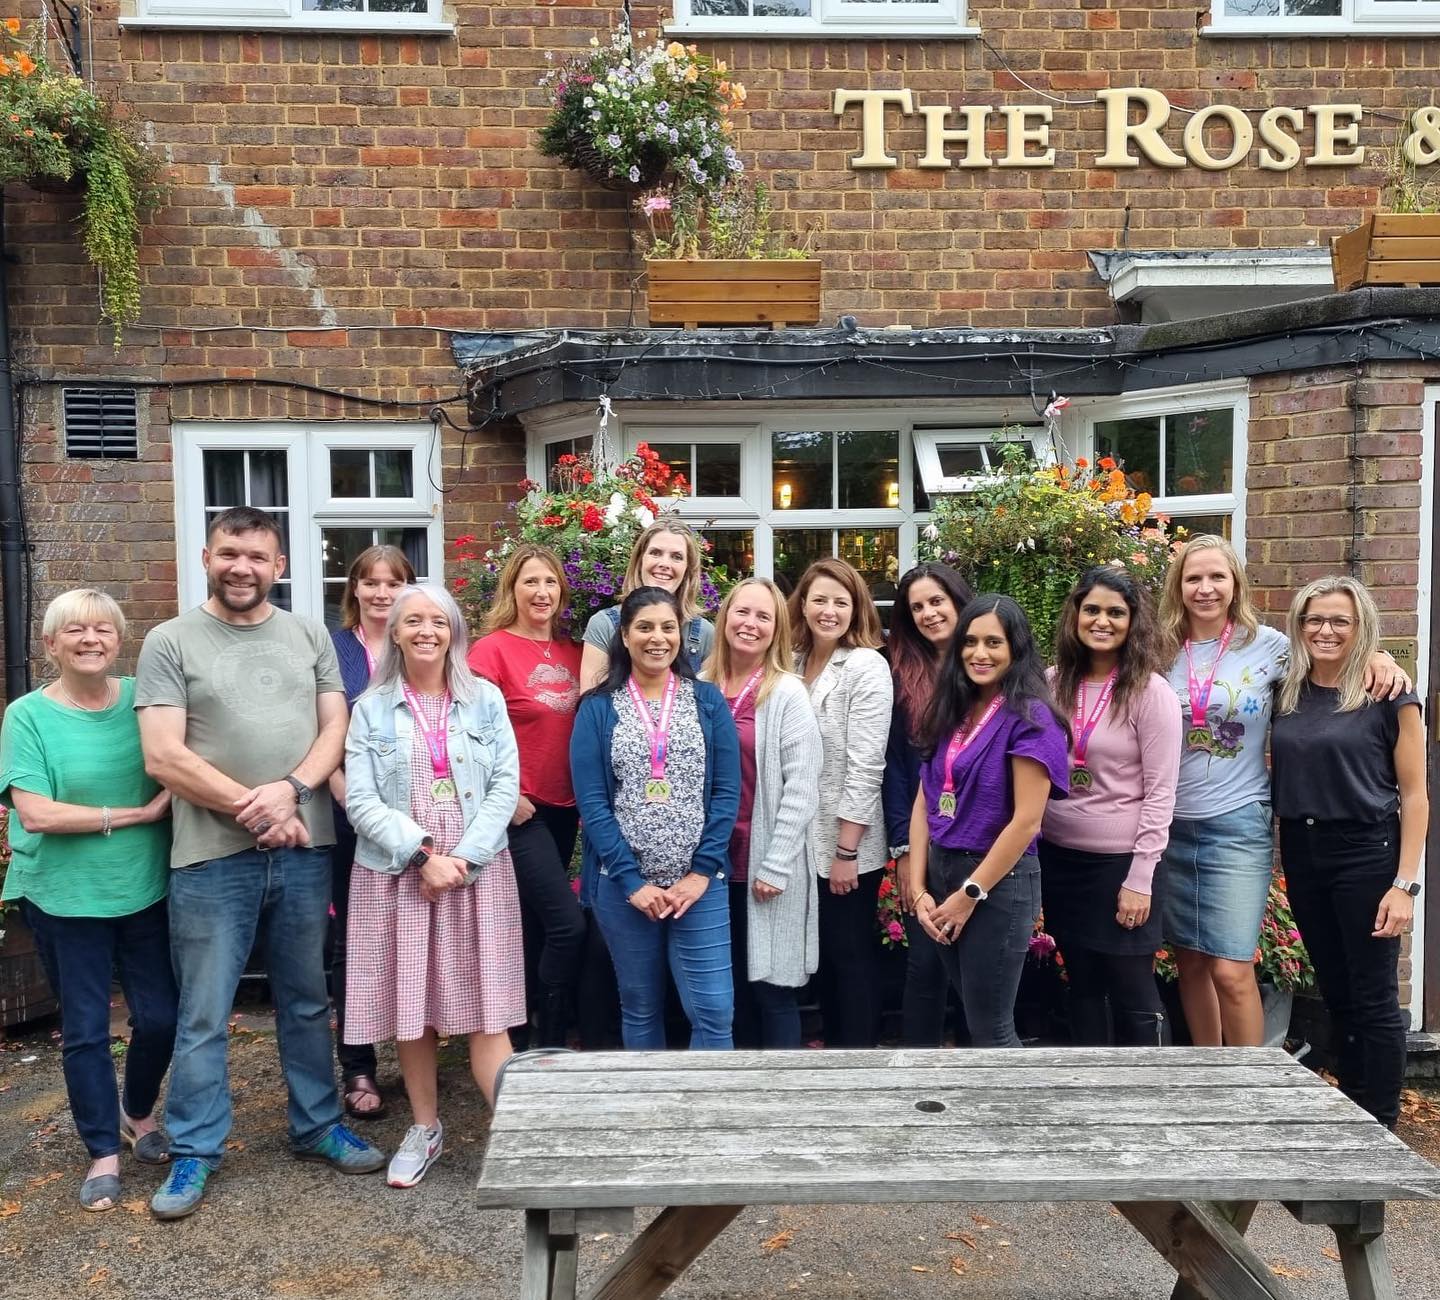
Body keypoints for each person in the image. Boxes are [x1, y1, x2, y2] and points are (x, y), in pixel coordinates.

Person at [135, 506, 384, 1221]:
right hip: (212, 859)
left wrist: (293, 791)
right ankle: (193, 1151)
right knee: (205, 1012)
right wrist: (261, 807)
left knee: (306, 999)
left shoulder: (307, 633)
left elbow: (337, 725)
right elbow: (164, 755)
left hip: (306, 854)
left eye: (257, 557)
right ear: (208, 556)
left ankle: (316, 1126)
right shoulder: (169, 640)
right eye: (229, 553)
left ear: (280, 567)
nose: (242, 567)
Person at [1156, 535, 1408, 1048]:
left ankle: (1253, 1089)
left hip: (1238, 820)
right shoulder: (1157, 650)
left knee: (1231, 970)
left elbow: (1333, 650)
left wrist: (1382, 656)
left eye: (1217, 577)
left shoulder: (1269, 647)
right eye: (1193, 578)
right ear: (1178, 587)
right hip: (1170, 826)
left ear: (1235, 585)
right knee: (1191, 963)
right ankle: (1211, 1076)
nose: (1205, 589)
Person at [345, 584, 526, 1187]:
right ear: (394, 632)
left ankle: (516, 1137)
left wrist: (463, 860)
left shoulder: (486, 701)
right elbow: (362, 799)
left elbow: (506, 785)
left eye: (439, 622)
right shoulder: (370, 709)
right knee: (413, 1010)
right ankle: (425, 1129)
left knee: (488, 1010)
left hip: (477, 875)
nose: (427, 631)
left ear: (455, 633)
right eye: (413, 621)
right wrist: (423, 855)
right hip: (398, 878)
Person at [0, 590, 176, 1212]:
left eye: (103, 628)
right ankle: (102, 1150)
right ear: (51, 645)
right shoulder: (27, 715)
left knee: (159, 1017)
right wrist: (137, 813)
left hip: (144, 888)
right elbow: (37, 813)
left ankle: (137, 1112)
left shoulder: (142, 700)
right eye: (73, 630)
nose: (89, 639)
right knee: (85, 1031)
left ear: (119, 640)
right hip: (64, 895)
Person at [1271, 577, 1426, 1129]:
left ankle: (1378, 1122)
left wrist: (1404, 885)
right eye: (1314, 620)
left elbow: (1414, 795)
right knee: (1334, 988)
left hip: (1367, 849)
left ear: (1361, 627)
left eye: (1340, 620)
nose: (1325, 630)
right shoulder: (1286, 688)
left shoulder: (1389, 694)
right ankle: (1353, 1112)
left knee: (1374, 995)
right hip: (1304, 849)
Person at [570, 587, 740, 1050]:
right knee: (640, 1005)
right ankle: (650, 1117)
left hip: (699, 886)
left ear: (681, 637)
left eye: (668, 628)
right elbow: (593, 805)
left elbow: (727, 792)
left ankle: (707, 1117)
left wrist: (701, 872)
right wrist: (632, 882)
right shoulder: (597, 708)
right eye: (644, 627)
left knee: (714, 1009)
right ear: (624, 636)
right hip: (626, 887)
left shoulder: (707, 701)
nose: (657, 638)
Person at [910, 595, 1070, 1048]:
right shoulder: (953, 707)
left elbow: (1026, 822)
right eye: (971, 642)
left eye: (994, 643)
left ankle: (1019, 1117)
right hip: (943, 872)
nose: (980, 653)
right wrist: (920, 887)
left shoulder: (1031, 718)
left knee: (992, 1028)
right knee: (972, 1013)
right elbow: (925, 799)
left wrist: (969, 895)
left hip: (997, 883)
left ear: (1016, 650)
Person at [1039, 567, 1182, 1046]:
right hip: (1061, 859)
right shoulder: (1052, 683)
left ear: (1133, 621)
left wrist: (1140, 879)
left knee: (1133, 990)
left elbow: (1162, 793)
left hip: (1121, 866)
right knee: (1082, 984)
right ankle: (1092, 1097)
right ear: (1075, 615)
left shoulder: (1151, 692)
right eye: (1092, 609)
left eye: (1116, 612)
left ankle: (1152, 1096)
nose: (1102, 621)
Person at [468, 544, 586, 1048]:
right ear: (511, 589)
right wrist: (504, 793)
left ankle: (520, 1029)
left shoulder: (575, 652)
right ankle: (546, 1038)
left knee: (535, 922)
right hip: (520, 811)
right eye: (530, 582)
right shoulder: (489, 651)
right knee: (567, 924)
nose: (541, 592)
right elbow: (465, 732)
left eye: (550, 583)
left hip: (566, 809)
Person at [703, 578, 823, 1049]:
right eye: (742, 612)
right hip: (711, 863)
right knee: (725, 992)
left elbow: (803, 787)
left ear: (777, 630)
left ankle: (787, 1101)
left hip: (766, 862)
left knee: (773, 990)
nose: (749, 624)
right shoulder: (699, 685)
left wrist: (776, 865)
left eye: (763, 617)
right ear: (724, 617)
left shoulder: (787, 693)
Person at [329, 543, 416, 1121]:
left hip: (419, 823)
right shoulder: (333, 652)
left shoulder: (420, 641)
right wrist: (350, 803)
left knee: (414, 936)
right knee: (354, 945)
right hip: (346, 820)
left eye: (394, 582)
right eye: (371, 582)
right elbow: (318, 736)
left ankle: (419, 1048)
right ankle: (358, 1063)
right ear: (354, 589)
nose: (382, 593)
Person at [791, 558, 893, 1049]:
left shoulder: (866, 665)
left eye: (840, 602)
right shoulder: (789, 660)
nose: (828, 611)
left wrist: (846, 851)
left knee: (849, 955)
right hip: (795, 842)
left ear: (856, 609)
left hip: (844, 845)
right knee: (821, 955)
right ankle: (830, 1052)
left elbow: (866, 766)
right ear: (803, 604)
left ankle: (858, 1058)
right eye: (819, 599)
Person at [882, 562, 975, 1047]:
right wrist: (902, 848)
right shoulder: (899, 674)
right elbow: (896, 766)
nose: (928, 614)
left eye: (936, 601)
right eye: (916, 607)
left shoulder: (990, 661)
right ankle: (918, 1069)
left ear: (959, 600)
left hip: (985, 835)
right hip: (926, 833)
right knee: (926, 960)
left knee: (981, 966)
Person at [578, 518, 715, 690]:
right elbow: (590, 705)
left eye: (677, 557)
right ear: (640, 560)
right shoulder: (605, 624)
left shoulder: (704, 633)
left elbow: (709, 707)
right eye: (655, 553)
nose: (664, 564)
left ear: (688, 569)